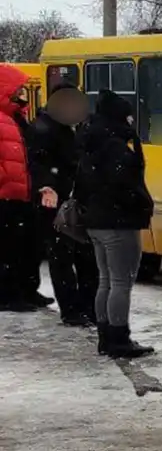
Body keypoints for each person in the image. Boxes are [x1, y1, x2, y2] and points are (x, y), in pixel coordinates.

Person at [74, 90, 155, 358]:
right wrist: (142, 203)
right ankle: (119, 338)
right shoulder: (115, 146)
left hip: (96, 221)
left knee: (106, 280)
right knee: (121, 282)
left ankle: (105, 336)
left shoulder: (91, 141)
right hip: (118, 222)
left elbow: (84, 185)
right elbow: (125, 184)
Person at [26, 82, 98, 326]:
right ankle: (71, 310)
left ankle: (87, 307)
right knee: (63, 257)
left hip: (76, 200)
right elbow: (36, 163)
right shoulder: (44, 129)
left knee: (84, 257)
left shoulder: (73, 126)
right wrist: (47, 187)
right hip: (56, 202)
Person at [0, 64, 57, 312]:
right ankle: (7, 295)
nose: (22, 94)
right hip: (6, 195)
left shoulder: (17, 119)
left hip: (23, 194)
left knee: (27, 245)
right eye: (18, 90)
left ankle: (27, 289)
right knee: (7, 248)